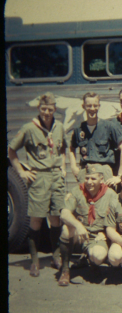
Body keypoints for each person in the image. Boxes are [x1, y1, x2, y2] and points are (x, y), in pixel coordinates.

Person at [8, 92, 67, 276]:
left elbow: (63, 148)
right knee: (36, 219)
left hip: (56, 177)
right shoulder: (29, 128)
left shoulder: (59, 127)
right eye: (43, 109)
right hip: (39, 178)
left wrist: (63, 167)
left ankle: (55, 257)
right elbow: (11, 150)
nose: (46, 113)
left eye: (50, 109)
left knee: (56, 218)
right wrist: (22, 172)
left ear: (55, 109)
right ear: (39, 109)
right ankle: (34, 261)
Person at [57, 164, 119, 286]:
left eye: (93, 179)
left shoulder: (110, 195)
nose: (89, 182)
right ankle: (65, 270)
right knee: (66, 229)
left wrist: (107, 233)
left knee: (98, 255)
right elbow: (64, 214)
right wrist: (78, 226)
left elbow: (117, 219)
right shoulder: (77, 191)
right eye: (87, 178)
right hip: (80, 234)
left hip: (97, 237)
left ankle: (92, 263)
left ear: (101, 180)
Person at [69, 92, 122, 186]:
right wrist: (73, 167)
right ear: (83, 106)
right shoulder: (79, 129)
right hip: (86, 171)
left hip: (104, 172)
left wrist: (119, 175)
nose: (92, 109)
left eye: (95, 105)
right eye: (89, 106)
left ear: (99, 106)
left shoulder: (109, 126)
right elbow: (71, 148)